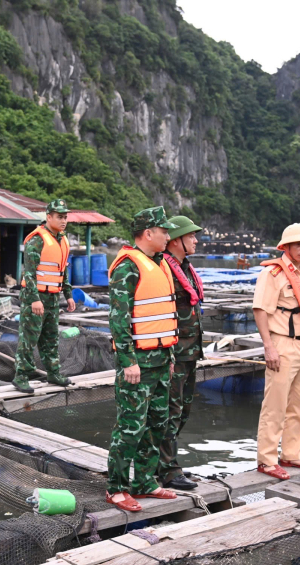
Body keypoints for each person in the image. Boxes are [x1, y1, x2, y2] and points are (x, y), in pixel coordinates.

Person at [106, 206, 180, 512]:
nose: (167, 235)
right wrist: (128, 361)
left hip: (162, 359)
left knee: (156, 423)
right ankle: (117, 487)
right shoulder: (128, 266)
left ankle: (145, 481)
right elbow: (118, 319)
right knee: (131, 426)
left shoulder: (160, 263)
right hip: (139, 362)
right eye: (163, 231)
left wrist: (171, 354)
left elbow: (166, 315)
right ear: (148, 233)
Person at [253, 223, 300, 480]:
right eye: (298, 244)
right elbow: (260, 310)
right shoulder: (272, 273)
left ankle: (292, 454)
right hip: (283, 344)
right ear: (285, 246)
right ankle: (266, 459)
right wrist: (268, 346)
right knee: (275, 404)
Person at [158, 215, 204, 491]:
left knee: (182, 411)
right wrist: (169, 355)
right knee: (170, 411)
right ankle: (168, 470)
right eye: (191, 236)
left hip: (191, 351)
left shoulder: (184, 267)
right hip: (175, 352)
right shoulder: (164, 268)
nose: (196, 240)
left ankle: (166, 464)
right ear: (177, 240)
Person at [12, 199, 78, 393]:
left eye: (65, 216)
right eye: (59, 217)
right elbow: (29, 273)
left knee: (51, 338)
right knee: (29, 338)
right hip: (36, 296)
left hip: (53, 297)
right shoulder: (37, 239)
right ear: (49, 217)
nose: (63, 220)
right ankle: (21, 376)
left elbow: (62, 271)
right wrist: (34, 299)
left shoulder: (63, 240)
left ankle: (53, 373)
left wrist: (69, 295)